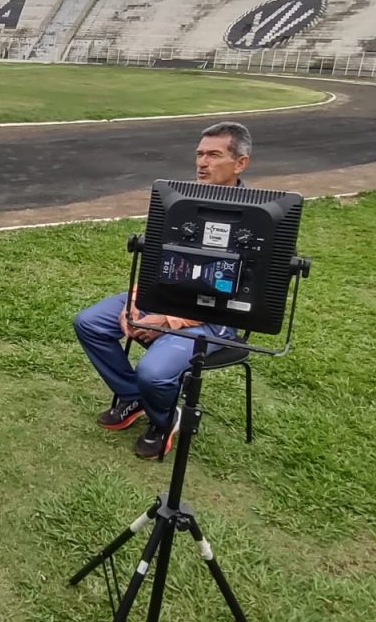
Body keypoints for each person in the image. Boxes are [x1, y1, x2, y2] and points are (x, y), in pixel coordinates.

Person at [73, 121, 251, 459]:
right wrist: (137, 306)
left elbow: (240, 293)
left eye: (214, 155)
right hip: (164, 300)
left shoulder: (260, 219)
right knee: (90, 322)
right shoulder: (179, 204)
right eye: (199, 154)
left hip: (214, 316)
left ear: (240, 163)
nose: (202, 163)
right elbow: (156, 260)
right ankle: (134, 398)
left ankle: (164, 419)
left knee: (153, 372)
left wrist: (166, 320)